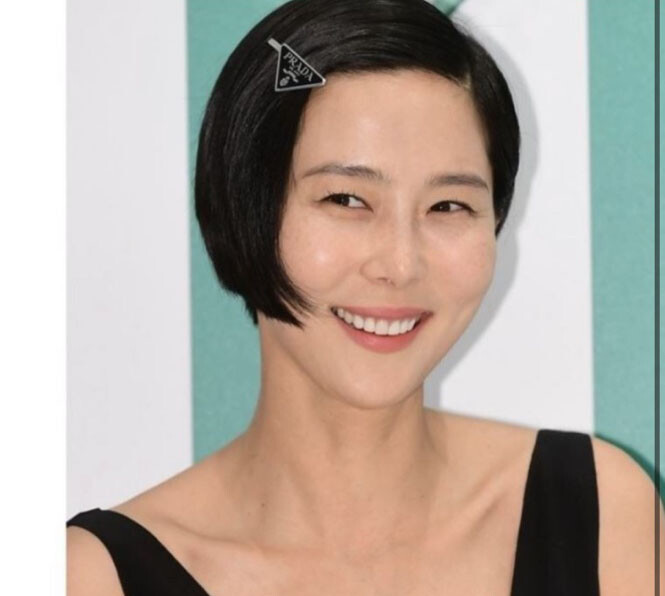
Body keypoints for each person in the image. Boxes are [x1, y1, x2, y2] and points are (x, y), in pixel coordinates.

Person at [66, 0, 663, 594]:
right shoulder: (93, 576)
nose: (400, 265)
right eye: (346, 200)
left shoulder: (599, 512)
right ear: (245, 208)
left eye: (448, 205)